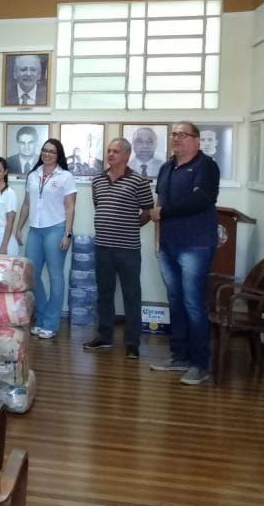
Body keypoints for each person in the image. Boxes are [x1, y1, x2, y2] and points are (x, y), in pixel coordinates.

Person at [148, 122, 220, 386]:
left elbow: (200, 200)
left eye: (182, 135)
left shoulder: (206, 166)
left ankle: (200, 364)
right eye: (173, 134)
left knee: (193, 304)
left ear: (196, 140)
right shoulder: (166, 167)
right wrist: (157, 239)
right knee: (175, 302)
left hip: (196, 245)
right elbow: (159, 204)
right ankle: (179, 355)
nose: (176, 139)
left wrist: (163, 214)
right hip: (168, 244)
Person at [83, 138, 155, 359]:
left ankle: (132, 343)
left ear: (126, 155)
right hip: (103, 247)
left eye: (116, 151)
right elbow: (100, 206)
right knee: (104, 294)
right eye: (109, 150)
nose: (111, 154)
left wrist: (132, 225)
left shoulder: (138, 181)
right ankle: (104, 337)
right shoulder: (98, 181)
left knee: (131, 295)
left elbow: (148, 212)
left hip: (128, 249)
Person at [16, 138, 76, 340]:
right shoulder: (33, 175)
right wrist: (18, 228)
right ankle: (40, 318)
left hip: (56, 229)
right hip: (35, 229)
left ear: (58, 155)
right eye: (44, 150)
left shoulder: (65, 176)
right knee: (31, 276)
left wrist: (67, 233)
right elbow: (26, 204)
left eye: (51, 151)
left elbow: (70, 207)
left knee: (56, 277)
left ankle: (51, 323)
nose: (47, 154)